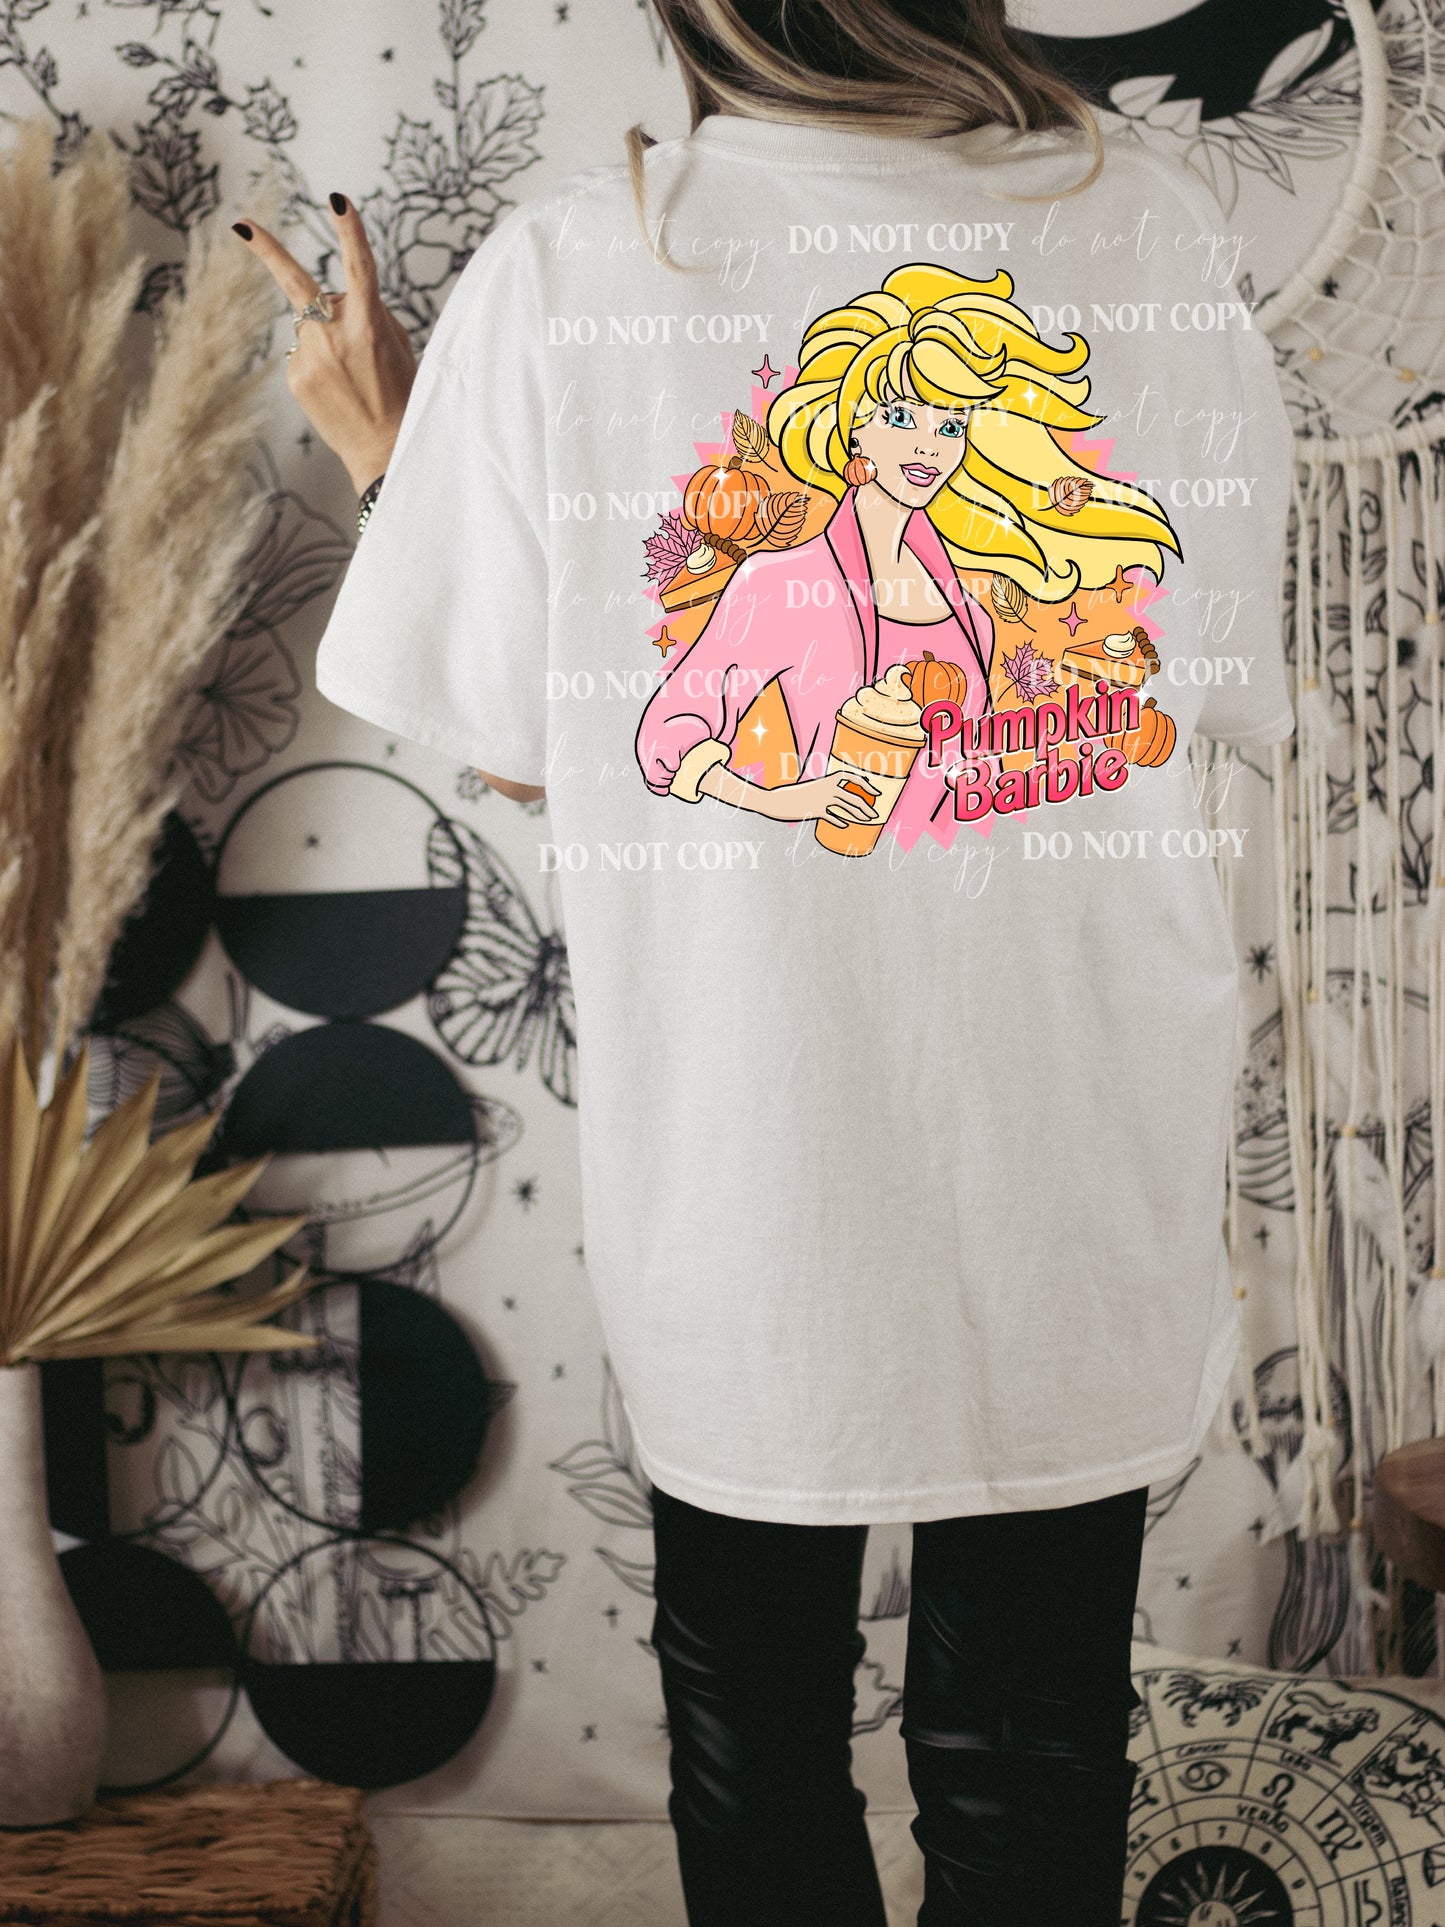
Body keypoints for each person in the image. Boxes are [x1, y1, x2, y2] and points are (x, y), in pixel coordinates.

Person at [231, 2, 1297, 1920]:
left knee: (766, 1730)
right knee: (1027, 1729)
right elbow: (1202, 680)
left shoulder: (576, 268)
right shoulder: (1140, 226)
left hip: (765, 1146)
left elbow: (525, 737)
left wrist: (402, 452)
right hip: (1062, 1133)